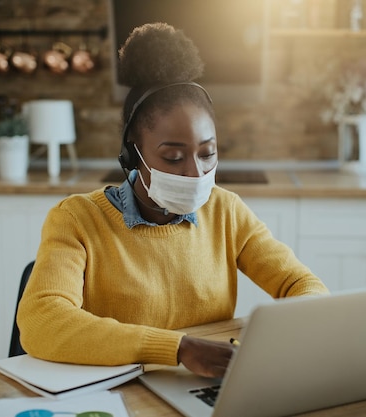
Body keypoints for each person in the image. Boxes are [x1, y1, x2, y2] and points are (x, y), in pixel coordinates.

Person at [16, 22, 328, 379]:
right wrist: (177, 348)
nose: (196, 173)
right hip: (119, 393)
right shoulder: (76, 220)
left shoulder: (226, 211)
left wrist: (290, 331)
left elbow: (303, 285)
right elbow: (42, 321)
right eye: (174, 158)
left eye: (207, 153)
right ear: (134, 155)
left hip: (203, 388)